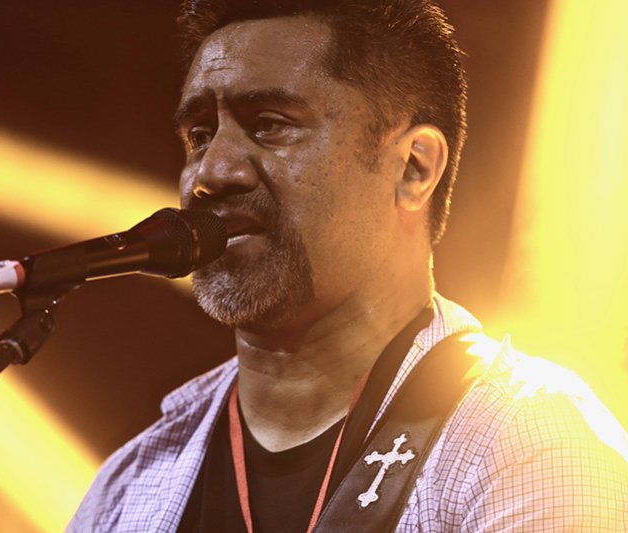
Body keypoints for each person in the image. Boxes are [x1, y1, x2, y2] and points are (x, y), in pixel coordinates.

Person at [68, 1, 628, 531]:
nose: (212, 173)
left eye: (269, 124)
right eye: (199, 135)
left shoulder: (530, 443)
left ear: (413, 168)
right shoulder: (128, 486)